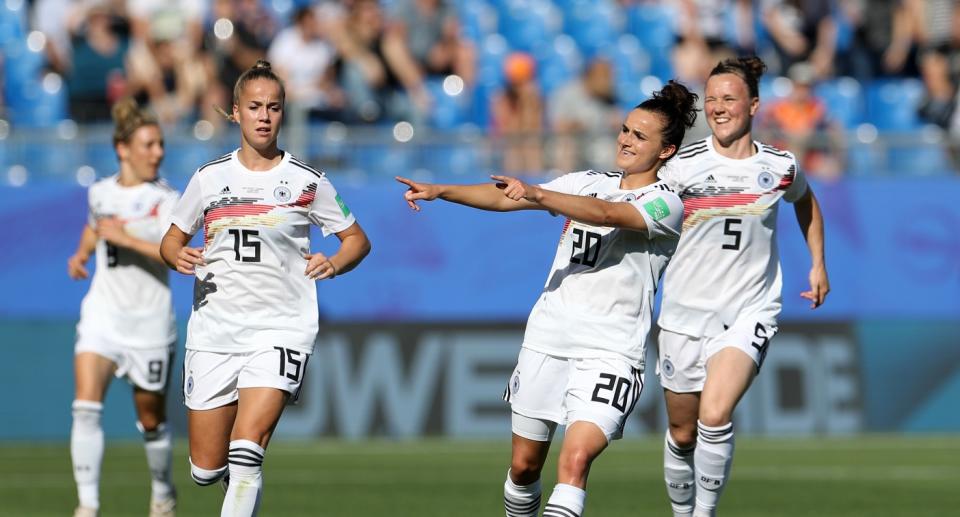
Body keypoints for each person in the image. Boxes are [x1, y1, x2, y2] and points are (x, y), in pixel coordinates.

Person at [397, 81, 699, 517]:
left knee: (574, 462)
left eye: (639, 136)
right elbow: (508, 199)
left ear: (666, 151)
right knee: (523, 468)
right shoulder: (586, 181)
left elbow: (608, 214)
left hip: (610, 351)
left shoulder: (665, 203)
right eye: (625, 130)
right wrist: (443, 190)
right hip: (549, 337)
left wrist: (539, 194)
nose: (626, 140)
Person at [159, 60, 371, 517]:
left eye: (273, 107)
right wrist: (175, 254)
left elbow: (357, 240)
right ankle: (238, 488)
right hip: (215, 330)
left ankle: (244, 480)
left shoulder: (306, 182)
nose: (264, 116)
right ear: (235, 112)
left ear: (283, 113)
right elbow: (172, 238)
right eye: (254, 106)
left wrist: (333, 262)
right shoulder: (209, 178)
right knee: (206, 469)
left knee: (247, 450)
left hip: (281, 327)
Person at [655, 57, 829, 517]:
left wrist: (817, 264)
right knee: (683, 432)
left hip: (749, 310)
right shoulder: (681, 168)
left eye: (728, 98)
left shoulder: (780, 165)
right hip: (684, 314)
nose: (717, 108)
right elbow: (640, 211)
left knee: (715, 415)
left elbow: (806, 203)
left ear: (753, 105)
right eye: (710, 99)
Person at [66, 97, 179, 517]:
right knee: (85, 405)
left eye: (160, 144)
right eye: (149, 145)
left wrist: (126, 237)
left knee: (151, 422)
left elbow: (178, 255)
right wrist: (81, 254)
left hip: (149, 323)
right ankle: (88, 506)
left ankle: (163, 492)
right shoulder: (100, 192)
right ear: (122, 148)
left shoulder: (168, 199)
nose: (158, 153)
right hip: (102, 315)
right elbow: (96, 228)